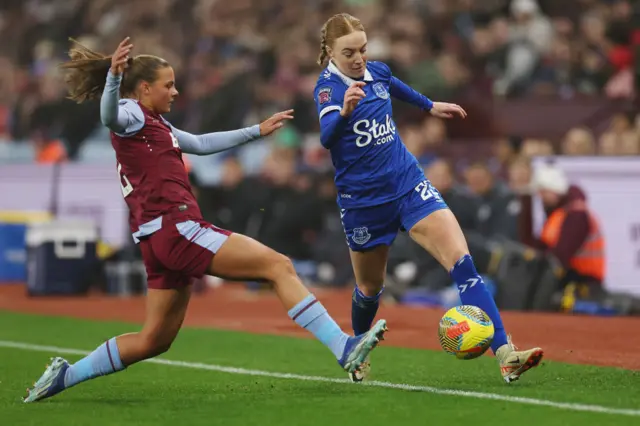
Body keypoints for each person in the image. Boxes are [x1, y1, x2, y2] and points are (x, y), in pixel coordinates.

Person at [23, 37, 388, 403]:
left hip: (157, 240)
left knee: (154, 340)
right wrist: (115, 79)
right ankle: (343, 347)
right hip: (178, 229)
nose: (176, 91)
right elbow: (109, 116)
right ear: (145, 88)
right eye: (168, 85)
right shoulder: (131, 114)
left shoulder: (156, 125)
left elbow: (199, 142)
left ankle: (65, 376)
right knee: (278, 266)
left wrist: (255, 132)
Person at [313, 13, 543, 383]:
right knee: (370, 289)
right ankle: (356, 348)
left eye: (363, 49)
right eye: (349, 52)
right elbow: (326, 137)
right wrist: (345, 113)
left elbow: (396, 86)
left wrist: (429, 105)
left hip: (407, 184)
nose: (359, 59)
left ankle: (505, 352)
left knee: (462, 263)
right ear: (330, 52)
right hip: (364, 203)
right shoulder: (328, 89)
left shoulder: (378, 71)